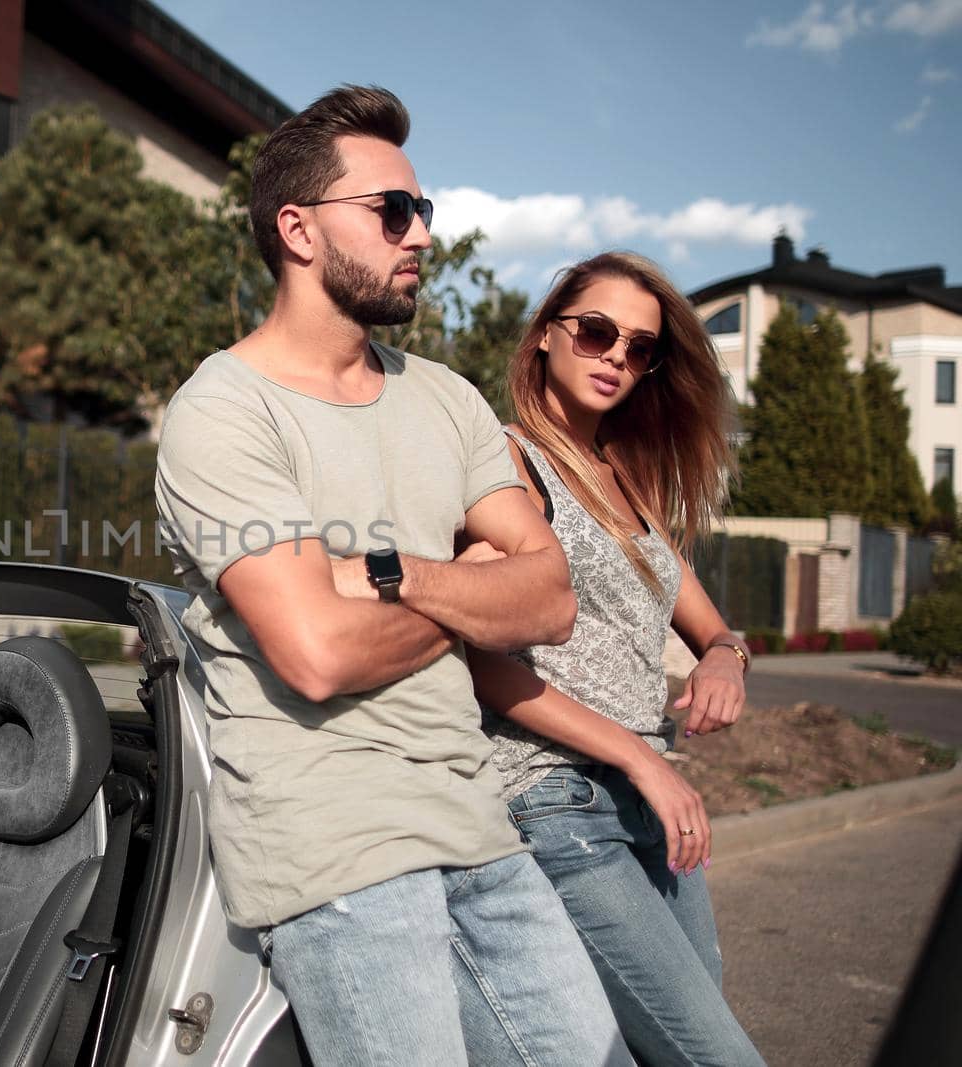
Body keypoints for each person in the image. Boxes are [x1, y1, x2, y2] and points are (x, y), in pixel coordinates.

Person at [155, 85, 632, 1067]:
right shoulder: (223, 412)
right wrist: (469, 586)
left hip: (474, 820)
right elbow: (319, 654)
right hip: (333, 843)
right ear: (297, 229)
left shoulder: (447, 399)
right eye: (392, 211)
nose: (420, 235)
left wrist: (387, 572)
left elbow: (549, 597)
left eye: (423, 211)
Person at [466, 250, 768, 1066]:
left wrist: (724, 661)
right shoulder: (509, 467)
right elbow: (485, 663)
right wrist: (642, 757)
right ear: (544, 338)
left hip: (646, 799)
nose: (617, 359)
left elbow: (716, 629)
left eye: (639, 348)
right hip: (557, 796)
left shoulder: (627, 483)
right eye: (597, 333)